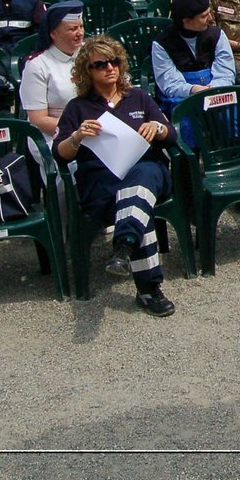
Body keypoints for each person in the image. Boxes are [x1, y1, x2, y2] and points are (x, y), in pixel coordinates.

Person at [53, 36, 179, 317]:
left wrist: (157, 127)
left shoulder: (138, 97)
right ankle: (148, 288)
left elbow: (172, 135)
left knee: (142, 177)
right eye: (100, 64)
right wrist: (76, 137)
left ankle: (123, 246)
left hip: (148, 172)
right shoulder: (78, 108)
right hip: (104, 185)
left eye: (115, 61)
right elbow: (60, 154)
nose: (110, 68)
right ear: (87, 71)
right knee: (136, 203)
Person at [150, 0, 235, 122]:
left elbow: (226, 71)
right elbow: (169, 83)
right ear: (187, 21)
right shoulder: (161, 44)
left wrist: (213, 89)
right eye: (204, 16)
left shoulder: (217, 35)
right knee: (187, 125)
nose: (211, 19)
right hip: (183, 96)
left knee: (231, 120)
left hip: (217, 92)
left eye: (209, 12)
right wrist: (194, 90)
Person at [20, 1, 85, 173]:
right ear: (53, 34)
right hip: (54, 136)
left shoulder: (91, 54)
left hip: (93, 130)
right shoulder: (37, 65)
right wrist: (79, 133)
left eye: (81, 27)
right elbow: (39, 119)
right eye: (72, 29)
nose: (79, 33)